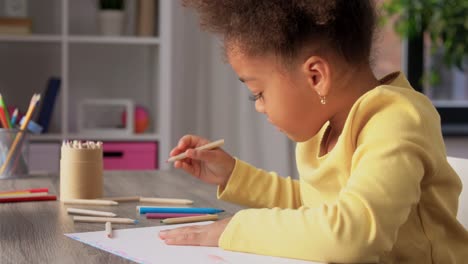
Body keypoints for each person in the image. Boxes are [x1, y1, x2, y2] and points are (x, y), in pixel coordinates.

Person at [158, 1, 468, 263]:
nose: (259, 107)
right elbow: (317, 206)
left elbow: (353, 233)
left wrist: (233, 230)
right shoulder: (324, 130)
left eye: (259, 93)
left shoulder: (396, 120)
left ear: (316, 76)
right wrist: (234, 176)